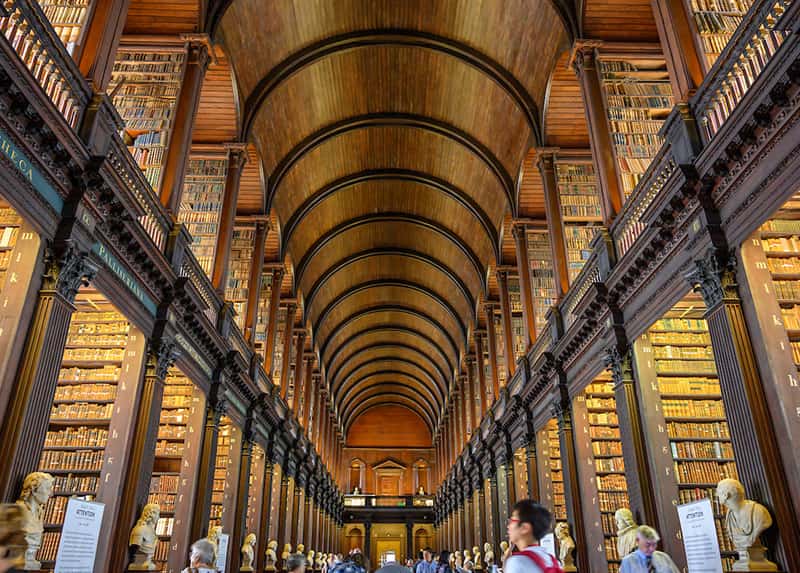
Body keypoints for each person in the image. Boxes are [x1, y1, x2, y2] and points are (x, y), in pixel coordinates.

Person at [503, 499, 562, 573]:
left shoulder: (518, 562)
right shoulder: (553, 561)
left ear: (525, 528)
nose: (508, 526)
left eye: (512, 521)